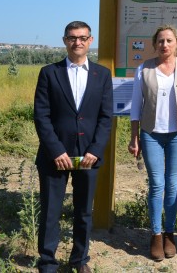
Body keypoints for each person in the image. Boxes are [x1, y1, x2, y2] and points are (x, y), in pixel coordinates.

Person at [33, 21, 113, 273]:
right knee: (50, 211)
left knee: (83, 212)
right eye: (72, 38)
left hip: (88, 155)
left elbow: (105, 117)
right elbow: (41, 116)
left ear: (90, 41)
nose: (77, 42)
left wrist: (95, 151)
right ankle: (47, 261)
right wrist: (56, 151)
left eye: (82, 37)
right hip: (54, 156)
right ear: (64, 40)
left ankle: (80, 260)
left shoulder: (102, 74)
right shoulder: (49, 72)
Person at [128, 25, 177, 261]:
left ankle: (170, 234)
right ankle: (156, 235)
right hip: (151, 134)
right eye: (160, 41)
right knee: (157, 185)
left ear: (176, 43)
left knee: (172, 185)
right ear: (155, 44)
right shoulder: (144, 69)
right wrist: (134, 136)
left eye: (169, 40)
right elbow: (136, 106)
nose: (165, 45)